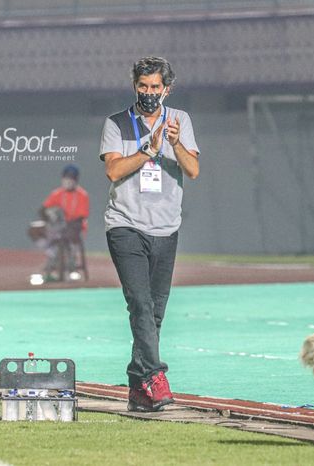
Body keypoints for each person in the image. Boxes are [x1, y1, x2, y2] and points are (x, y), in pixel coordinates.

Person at [99, 57, 200, 412]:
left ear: (166, 89)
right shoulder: (117, 124)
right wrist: (148, 150)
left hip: (166, 227)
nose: (149, 93)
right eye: (143, 86)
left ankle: (137, 386)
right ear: (135, 86)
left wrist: (174, 144)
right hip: (126, 225)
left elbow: (193, 168)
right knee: (140, 304)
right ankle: (156, 376)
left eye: (155, 87)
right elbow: (113, 170)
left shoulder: (180, 121)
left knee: (155, 312)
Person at [38, 164, 89, 281]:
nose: (68, 182)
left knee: (67, 236)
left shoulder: (82, 195)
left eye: (71, 179)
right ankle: (51, 265)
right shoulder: (57, 193)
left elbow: (80, 217)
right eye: (66, 179)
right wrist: (50, 216)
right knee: (43, 233)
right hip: (58, 227)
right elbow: (43, 209)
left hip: (76, 228)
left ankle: (72, 267)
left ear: (75, 181)